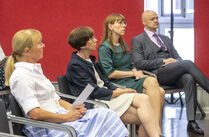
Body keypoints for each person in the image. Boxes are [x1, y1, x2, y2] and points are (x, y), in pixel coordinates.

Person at [4, 29, 129, 137]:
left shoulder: (35, 71)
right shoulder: (21, 76)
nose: (43, 45)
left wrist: (73, 108)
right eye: (39, 43)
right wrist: (67, 117)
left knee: (107, 114)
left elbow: (56, 100)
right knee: (90, 127)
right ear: (27, 51)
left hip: (59, 116)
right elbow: (35, 113)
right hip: (47, 126)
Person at [66, 26, 164, 137]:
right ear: (83, 45)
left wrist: (120, 89)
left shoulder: (90, 60)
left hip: (106, 97)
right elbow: (93, 91)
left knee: (145, 101)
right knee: (145, 116)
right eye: (92, 38)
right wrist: (121, 92)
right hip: (95, 102)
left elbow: (105, 83)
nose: (96, 40)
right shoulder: (76, 65)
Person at [131, 10, 209, 135]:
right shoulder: (138, 40)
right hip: (156, 74)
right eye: (152, 19)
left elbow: (178, 58)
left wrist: (174, 62)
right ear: (144, 22)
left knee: (188, 77)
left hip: (172, 72)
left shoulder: (165, 39)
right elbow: (139, 63)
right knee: (188, 63)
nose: (156, 20)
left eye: (157, 18)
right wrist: (163, 61)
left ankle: (191, 122)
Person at [98, 13, 165, 135]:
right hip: (118, 83)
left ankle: (150, 131)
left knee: (161, 92)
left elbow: (131, 64)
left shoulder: (124, 44)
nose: (124, 26)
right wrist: (132, 74)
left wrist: (136, 71)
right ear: (110, 26)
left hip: (130, 79)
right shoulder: (104, 47)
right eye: (120, 23)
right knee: (152, 81)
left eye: (124, 23)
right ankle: (156, 129)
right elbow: (110, 74)